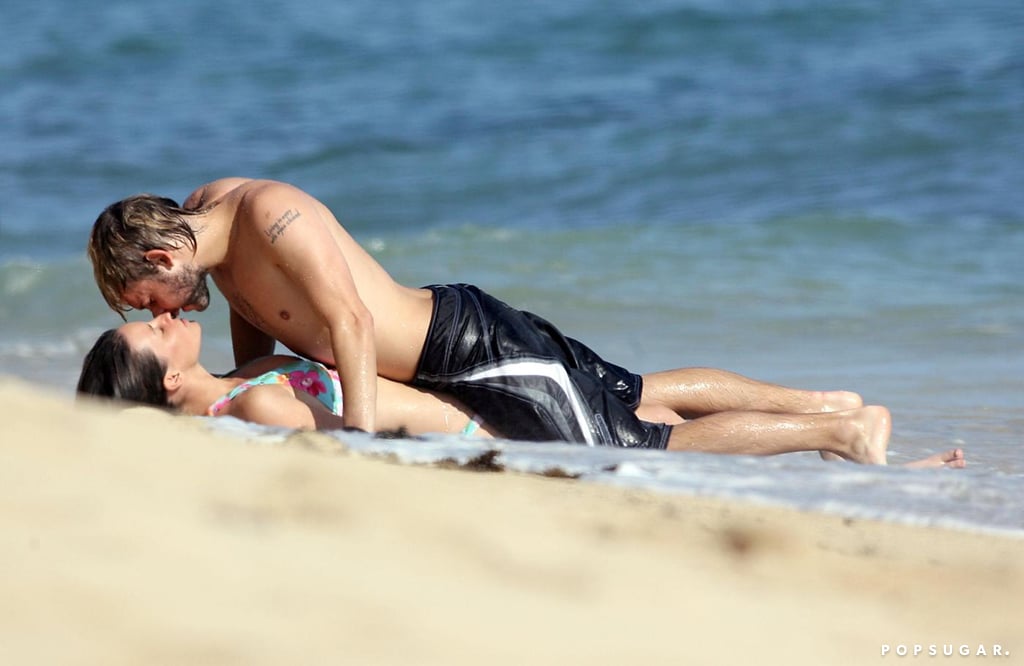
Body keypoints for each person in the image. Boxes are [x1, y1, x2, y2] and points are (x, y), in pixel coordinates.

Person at [86, 178, 964, 467]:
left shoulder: (270, 214)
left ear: (161, 261)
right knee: (636, 392)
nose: (162, 315)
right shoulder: (208, 226)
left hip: (468, 352)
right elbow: (266, 341)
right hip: (453, 351)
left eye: (146, 304)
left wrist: (357, 445)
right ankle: (827, 404)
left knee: (632, 443)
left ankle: (844, 430)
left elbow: (348, 323)